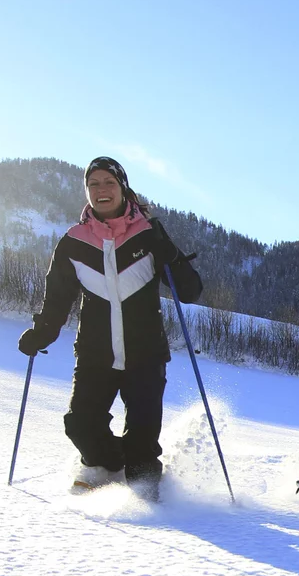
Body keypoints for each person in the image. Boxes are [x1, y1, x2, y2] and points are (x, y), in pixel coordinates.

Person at [18, 157, 203, 501]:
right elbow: (57, 297)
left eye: (109, 183)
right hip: (95, 353)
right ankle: (105, 465)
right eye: (94, 184)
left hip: (145, 354)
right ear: (86, 192)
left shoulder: (148, 234)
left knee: (142, 439)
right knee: (80, 425)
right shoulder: (74, 242)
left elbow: (190, 291)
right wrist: (42, 332)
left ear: (123, 187)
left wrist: (172, 255)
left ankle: (144, 488)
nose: (101, 190)